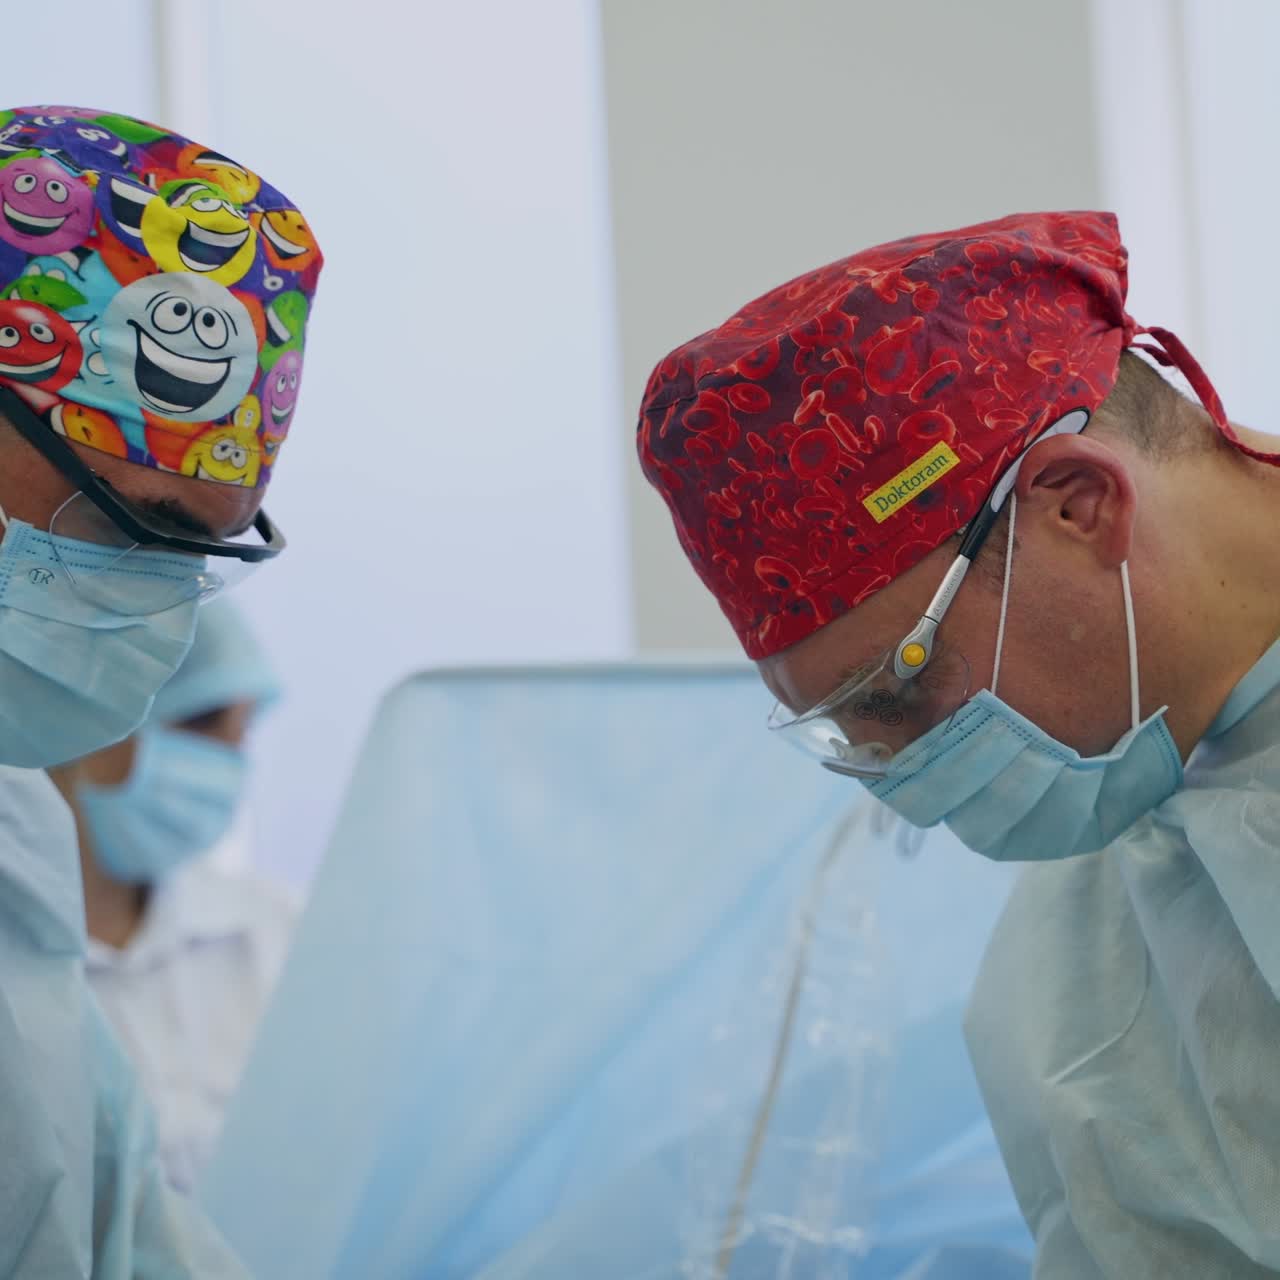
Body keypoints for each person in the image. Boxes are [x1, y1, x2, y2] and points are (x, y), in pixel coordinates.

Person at [637, 211, 1280, 1277]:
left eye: (899, 691)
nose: (911, 785)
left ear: (1078, 506)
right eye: (846, 738)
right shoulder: (1114, 843)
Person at [0, 106, 320, 1273]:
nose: (152, 608)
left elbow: (117, 1224)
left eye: (200, 555)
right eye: (132, 525)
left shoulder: (17, 829)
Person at [48, 598, 295, 1194]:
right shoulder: (23, 954)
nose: (230, 761)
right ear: (84, 716)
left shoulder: (278, 933)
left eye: (245, 728)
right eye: (205, 719)